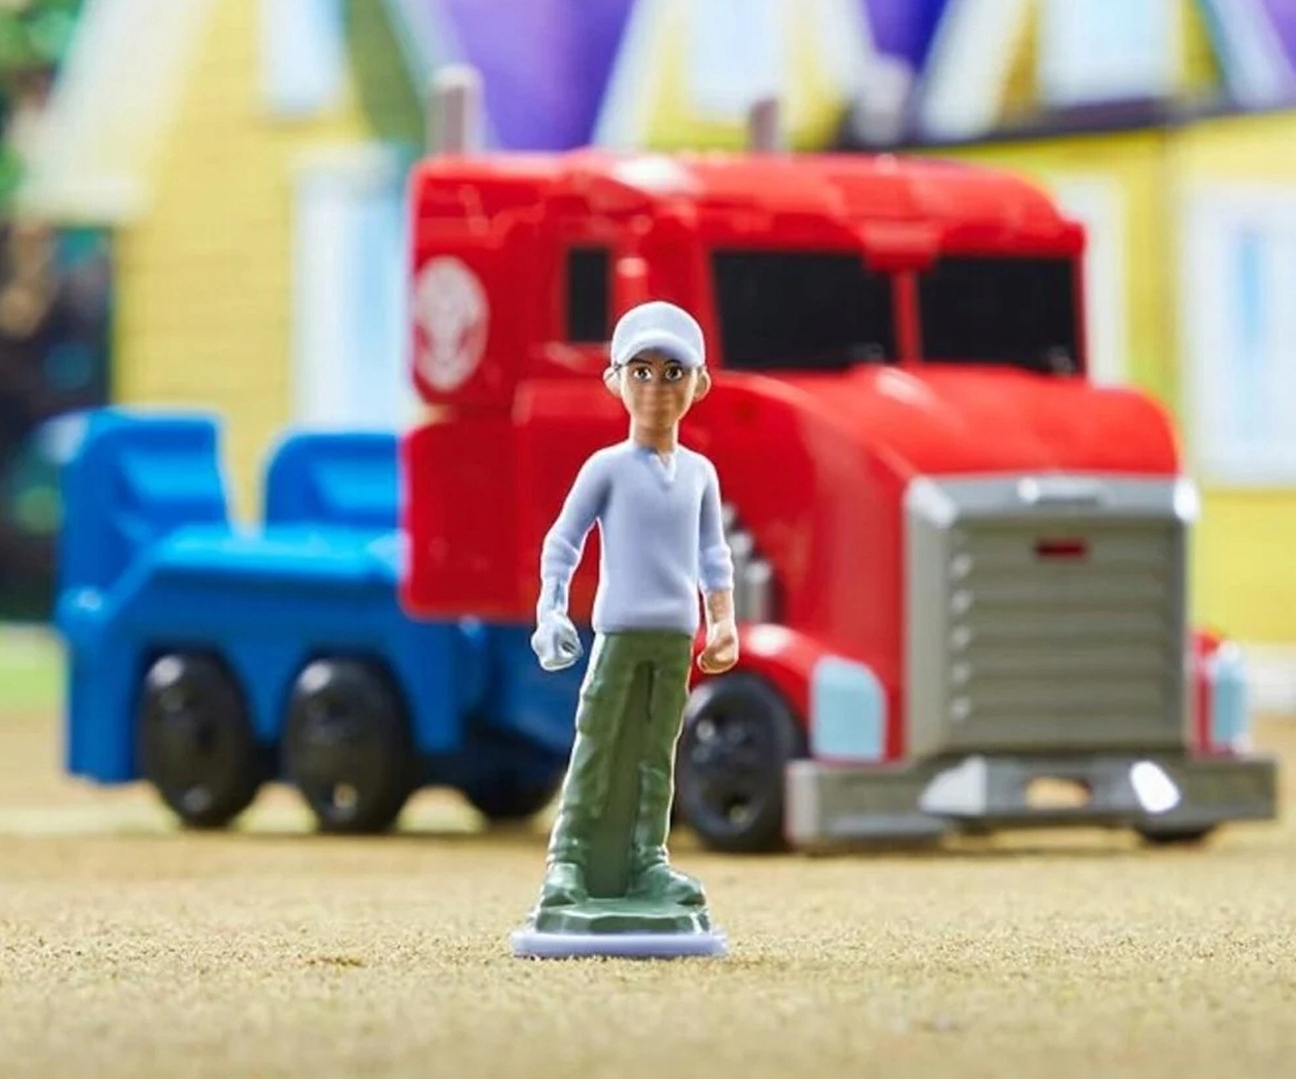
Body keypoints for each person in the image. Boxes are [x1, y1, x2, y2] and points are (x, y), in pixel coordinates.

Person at [528, 299, 738, 917]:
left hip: (674, 637)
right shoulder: (607, 468)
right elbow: (563, 541)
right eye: (641, 372)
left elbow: (713, 555)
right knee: (596, 741)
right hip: (618, 633)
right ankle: (567, 859)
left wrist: (723, 622)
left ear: (699, 384)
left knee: (657, 753)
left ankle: (648, 860)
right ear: (616, 380)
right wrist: (551, 611)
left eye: (673, 373)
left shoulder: (699, 474)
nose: (656, 389)